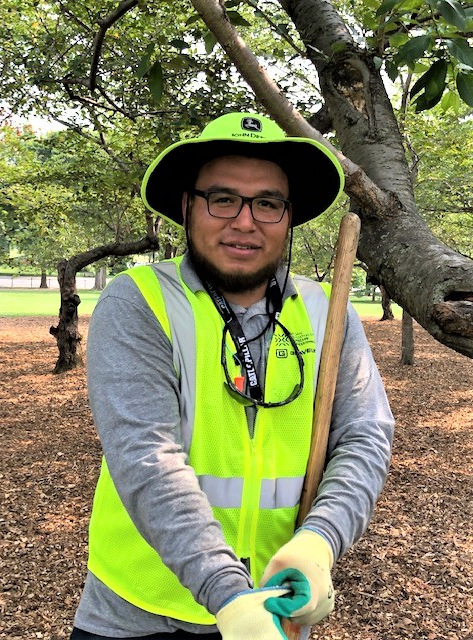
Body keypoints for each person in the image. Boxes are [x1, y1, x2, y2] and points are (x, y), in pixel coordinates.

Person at [70, 112, 394, 640]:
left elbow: (364, 435)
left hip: (273, 606)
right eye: (223, 199)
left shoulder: (324, 311)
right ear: (186, 206)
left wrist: (319, 542)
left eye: (267, 203)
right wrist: (227, 591)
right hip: (137, 613)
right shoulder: (139, 302)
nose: (245, 222)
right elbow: (146, 456)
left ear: (288, 217)